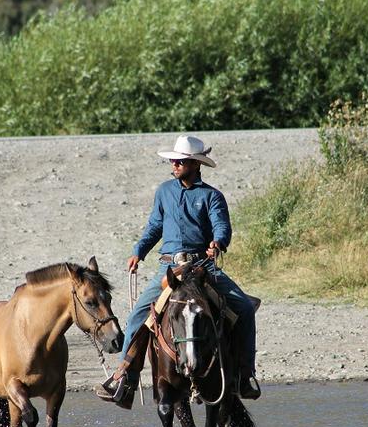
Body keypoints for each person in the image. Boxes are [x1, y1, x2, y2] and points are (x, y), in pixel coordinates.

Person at [96, 135, 260, 407]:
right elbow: (155, 226)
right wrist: (139, 250)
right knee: (138, 314)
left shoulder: (211, 196)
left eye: (180, 161)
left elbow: (222, 227)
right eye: (173, 160)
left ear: (196, 165)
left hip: (203, 266)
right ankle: (124, 378)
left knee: (242, 308)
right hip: (169, 267)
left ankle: (245, 375)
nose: (174, 164)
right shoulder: (164, 191)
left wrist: (218, 243)